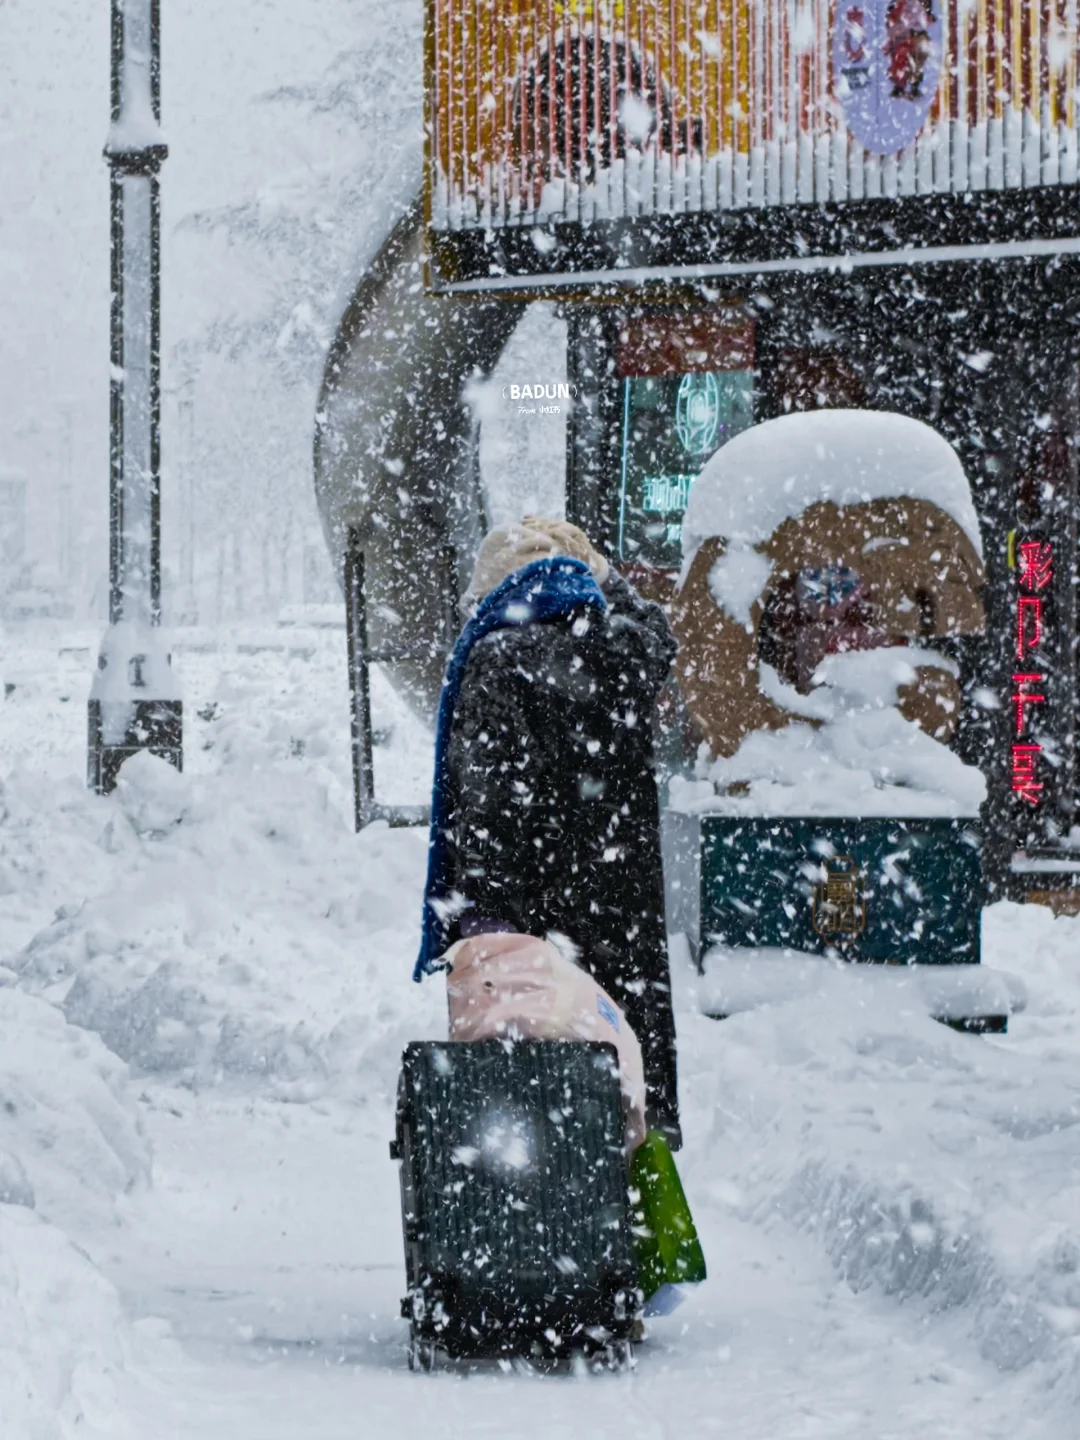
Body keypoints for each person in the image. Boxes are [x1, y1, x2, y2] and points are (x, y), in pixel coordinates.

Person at [415, 517, 681, 1149]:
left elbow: (487, 810)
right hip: (623, 932)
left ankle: (550, 1231)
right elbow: (652, 626)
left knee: (536, 1145)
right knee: (620, 1116)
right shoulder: (625, 651)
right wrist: (605, 581)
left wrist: (482, 920)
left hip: (531, 935)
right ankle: (623, 1229)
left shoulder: (497, 658)